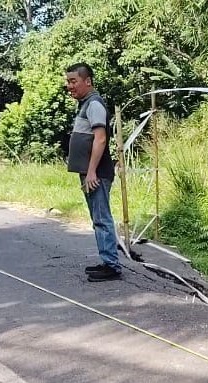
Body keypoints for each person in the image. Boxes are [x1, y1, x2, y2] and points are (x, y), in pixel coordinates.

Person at [64, 62, 121, 282]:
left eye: (73, 81)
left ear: (87, 81)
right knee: (97, 217)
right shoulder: (85, 104)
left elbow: (101, 138)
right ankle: (107, 260)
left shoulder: (94, 104)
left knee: (101, 217)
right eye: (68, 81)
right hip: (90, 172)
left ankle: (112, 266)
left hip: (96, 173)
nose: (70, 86)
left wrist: (91, 172)